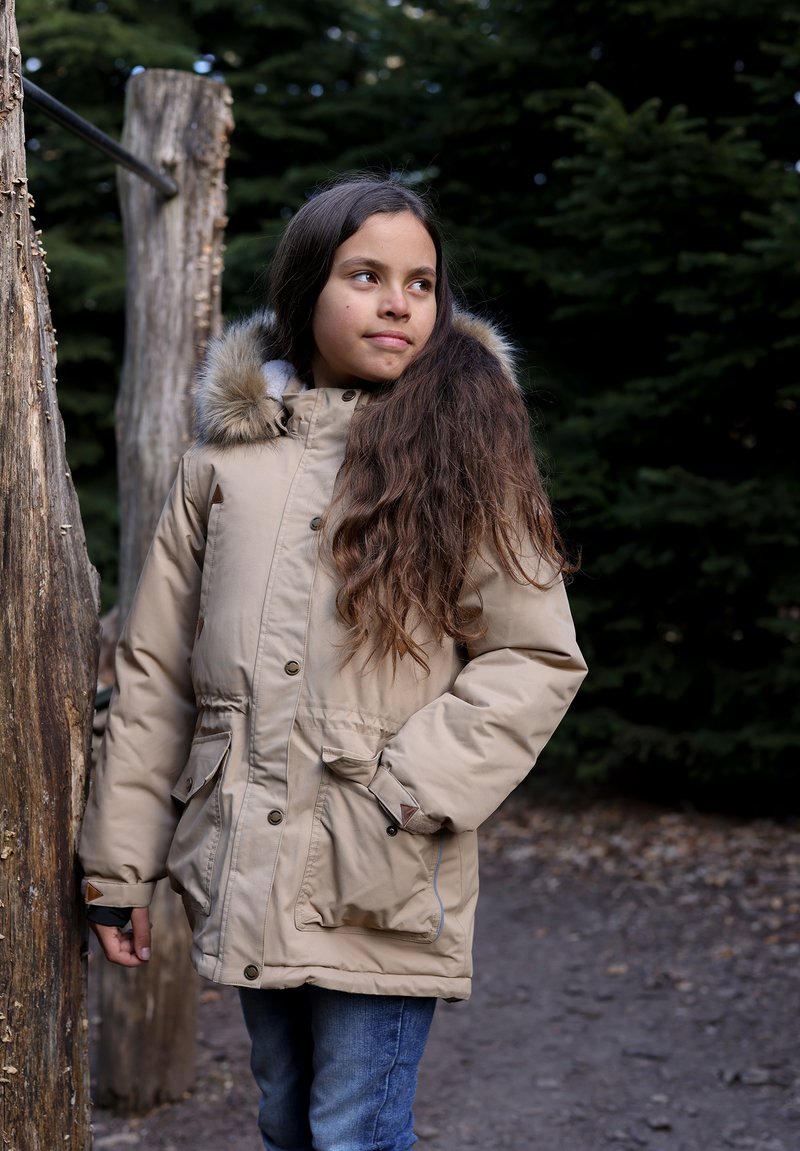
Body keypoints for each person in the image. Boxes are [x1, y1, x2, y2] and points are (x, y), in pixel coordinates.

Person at [79, 172, 587, 1151]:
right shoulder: (219, 469)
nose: (398, 301)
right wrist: (119, 868)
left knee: (353, 1128)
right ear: (305, 288)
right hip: (245, 853)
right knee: (283, 1116)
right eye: (365, 275)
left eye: (420, 282)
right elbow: (153, 675)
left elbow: (534, 655)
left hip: (381, 862)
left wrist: (405, 788)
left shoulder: (471, 449)